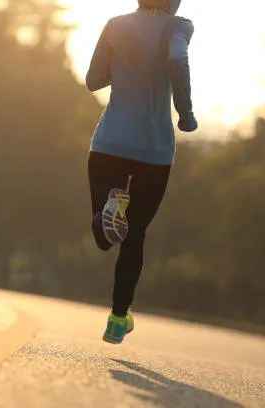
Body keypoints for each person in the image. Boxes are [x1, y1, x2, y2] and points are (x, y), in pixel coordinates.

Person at [85, 0, 198, 344]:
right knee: (134, 236)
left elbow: (93, 80)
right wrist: (186, 111)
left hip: (109, 144)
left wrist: (123, 67)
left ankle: (110, 208)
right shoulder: (178, 26)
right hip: (154, 150)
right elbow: (177, 59)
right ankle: (118, 319)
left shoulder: (115, 24)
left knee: (106, 238)